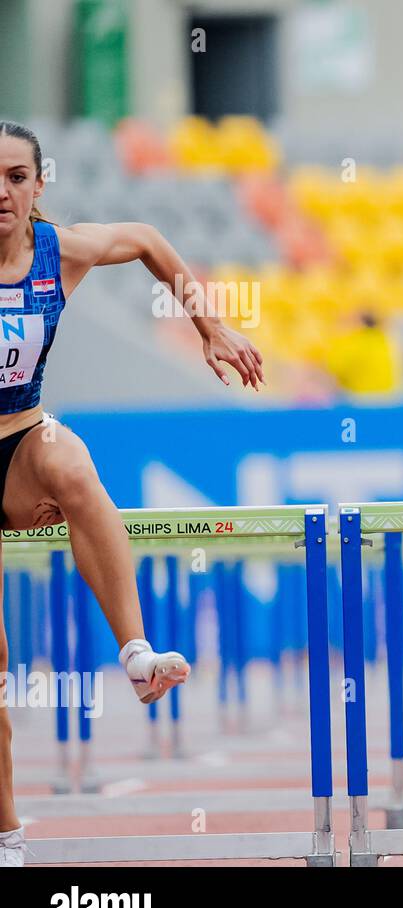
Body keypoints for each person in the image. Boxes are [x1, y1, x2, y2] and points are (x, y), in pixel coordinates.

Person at [0, 120, 265, 867]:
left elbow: (149, 238)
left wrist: (208, 326)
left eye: (17, 176)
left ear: (39, 184)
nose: (2, 192)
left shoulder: (62, 252)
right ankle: (8, 838)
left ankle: (138, 654)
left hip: (22, 448)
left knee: (73, 462)